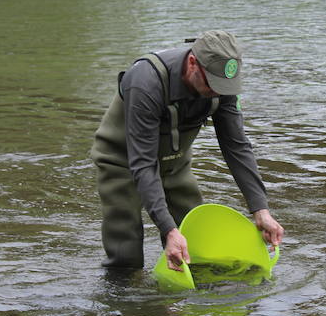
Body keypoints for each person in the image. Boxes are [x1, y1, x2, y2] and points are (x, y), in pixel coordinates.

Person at [91, 30, 284, 274]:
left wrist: (260, 209)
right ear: (193, 63)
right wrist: (168, 229)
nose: (218, 91)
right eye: (212, 84)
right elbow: (143, 162)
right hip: (122, 160)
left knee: (194, 242)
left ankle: (180, 303)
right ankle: (125, 304)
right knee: (126, 250)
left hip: (175, 161)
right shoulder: (145, 81)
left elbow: (236, 145)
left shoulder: (221, 84)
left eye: (224, 86)